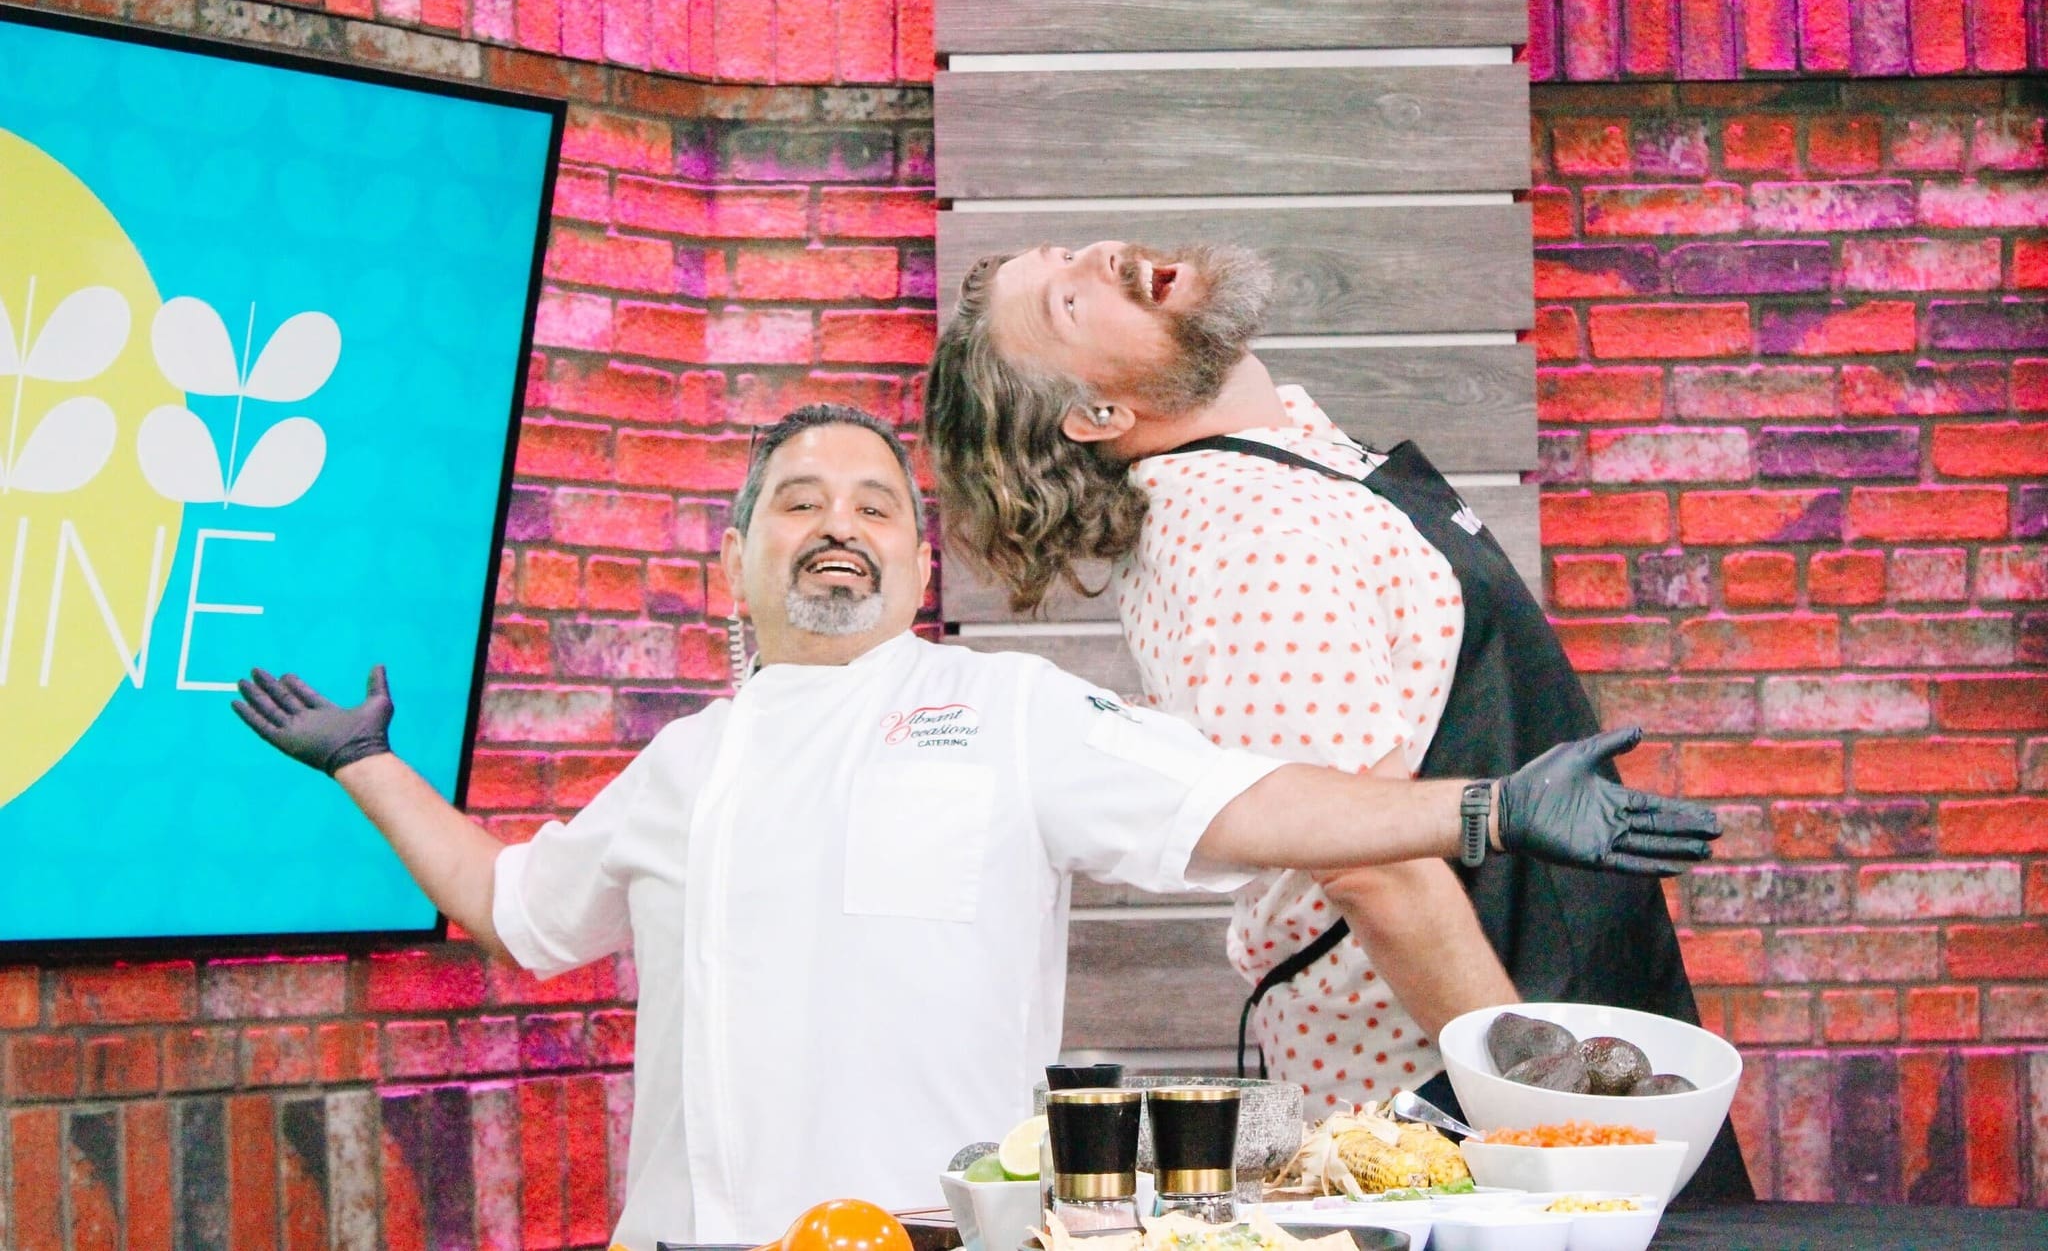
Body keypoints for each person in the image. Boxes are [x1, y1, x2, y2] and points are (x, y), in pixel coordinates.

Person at [230, 405, 1717, 1246]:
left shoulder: (1005, 711)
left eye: (876, 505)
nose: (838, 520)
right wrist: (367, 765)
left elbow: (1248, 798)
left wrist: (1488, 808)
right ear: (732, 559)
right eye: (798, 500)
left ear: (916, 560)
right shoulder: (680, 766)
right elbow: (515, 909)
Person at [922, 245, 1753, 1201]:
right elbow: (1374, 863)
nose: (1103, 255)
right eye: (1072, 298)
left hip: (1546, 983)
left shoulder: (1280, 455)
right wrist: (1543, 1138)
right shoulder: (1243, 537)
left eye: (1074, 254)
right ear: (1101, 414)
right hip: (1448, 1098)